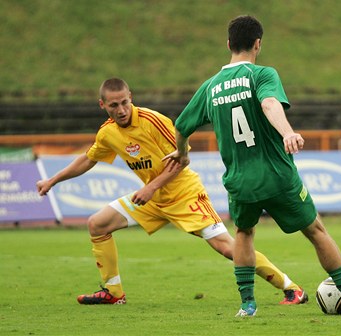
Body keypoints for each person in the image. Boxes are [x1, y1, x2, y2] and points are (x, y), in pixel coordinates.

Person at [164, 15, 341, 317]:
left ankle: (247, 305)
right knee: (315, 230)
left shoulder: (210, 87)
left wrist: (182, 153)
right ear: (258, 44)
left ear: (228, 44)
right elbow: (268, 104)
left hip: (239, 181)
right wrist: (287, 131)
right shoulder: (262, 74)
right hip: (277, 176)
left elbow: (182, 125)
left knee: (244, 234)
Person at [36, 78, 309, 306]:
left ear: (130, 97)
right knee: (97, 224)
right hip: (153, 198)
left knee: (228, 248)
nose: (120, 109)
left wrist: (151, 186)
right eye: (113, 105)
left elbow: (182, 159)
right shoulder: (107, 133)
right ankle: (113, 293)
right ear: (103, 105)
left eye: (124, 102)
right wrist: (52, 181)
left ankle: (291, 288)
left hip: (184, 194)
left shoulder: (153, 121)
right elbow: (89, 158)